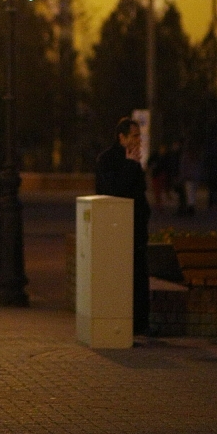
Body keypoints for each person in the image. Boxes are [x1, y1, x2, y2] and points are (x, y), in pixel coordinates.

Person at [95, 117, 151, 336]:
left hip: (137, 226)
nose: (139, 140)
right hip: (116, 229)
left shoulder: (135, 158)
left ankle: (141, 323)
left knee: (139, 273)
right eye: (135, 136)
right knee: (122, 276)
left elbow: (139, 190)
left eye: (140, 136)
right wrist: (130, 165)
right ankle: (125, 323)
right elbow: (115, 191)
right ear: (122, 138)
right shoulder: (107, 160)